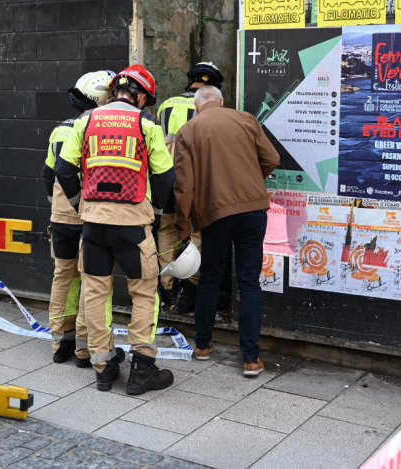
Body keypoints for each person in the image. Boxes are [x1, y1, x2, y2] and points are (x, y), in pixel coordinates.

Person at [55, 64, 176, 395]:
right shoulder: (146, 124)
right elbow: (165, 176)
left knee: (95, 293)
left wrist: (82, 205)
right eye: (146, 100)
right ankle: (142, 369)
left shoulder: (87, 120)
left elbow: (64, 170)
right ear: (139, 97)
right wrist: (157, 211)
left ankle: (103, 367)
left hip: (93, 225)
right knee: (144, 292)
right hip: (133, 227)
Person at [173, 85, 280, 376]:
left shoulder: (188, 131)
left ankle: (203, 346)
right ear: (222, 102)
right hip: (252, 212)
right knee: (249, 283)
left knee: (209, 278)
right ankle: (250, 359)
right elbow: (271, 159)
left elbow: (184, 187)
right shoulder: (246, 120)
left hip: (214, 214)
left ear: (197, 107)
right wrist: (250, 182)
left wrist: (183, 227)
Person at [41, 70, 115, 366]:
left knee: (63, 275)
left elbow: (49, 173)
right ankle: (85, 349)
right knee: (92, 281)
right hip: (91, 215)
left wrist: (59, 204)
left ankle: (60, 342)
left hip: (61, 217)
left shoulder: (60, 129)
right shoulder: (100, 129)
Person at [154, 62, 224, 315]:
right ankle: (189, 290)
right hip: (194, 182)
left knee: (166, 230)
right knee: (195, 233)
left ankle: (167, 288)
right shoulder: (208, 110)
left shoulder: (165, 105)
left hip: (165, 179)